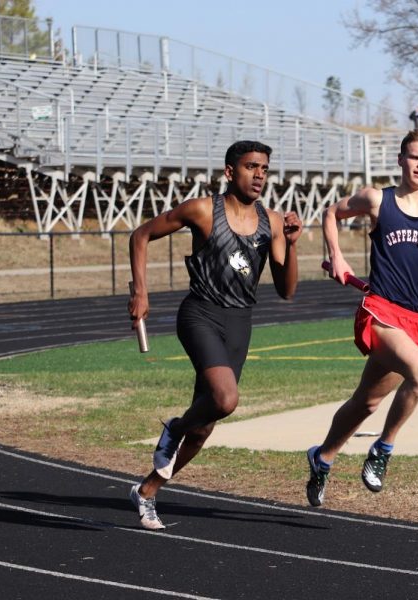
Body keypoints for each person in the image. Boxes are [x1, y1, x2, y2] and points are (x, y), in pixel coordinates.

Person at [126, 140, 301, 530]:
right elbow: (140, 235)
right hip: (200, 314)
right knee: (225, 399)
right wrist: (140, 290)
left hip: (240, 323)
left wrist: (291, 245)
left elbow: (287, 290)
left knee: (205, 425)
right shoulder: (203, 209)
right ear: (229, 172)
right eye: (251, 166)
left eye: (265, 169)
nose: (259, 175)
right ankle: (174, 428)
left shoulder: (271, 221)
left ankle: (147, 491)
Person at [306, 129, 418, 507]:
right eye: (414, 157)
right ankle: (383, 449)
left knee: (365, 403)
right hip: (380, 313)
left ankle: (323, 457)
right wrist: (336, 254)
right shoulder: (377, 199)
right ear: (400, 159)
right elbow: (332, 212)